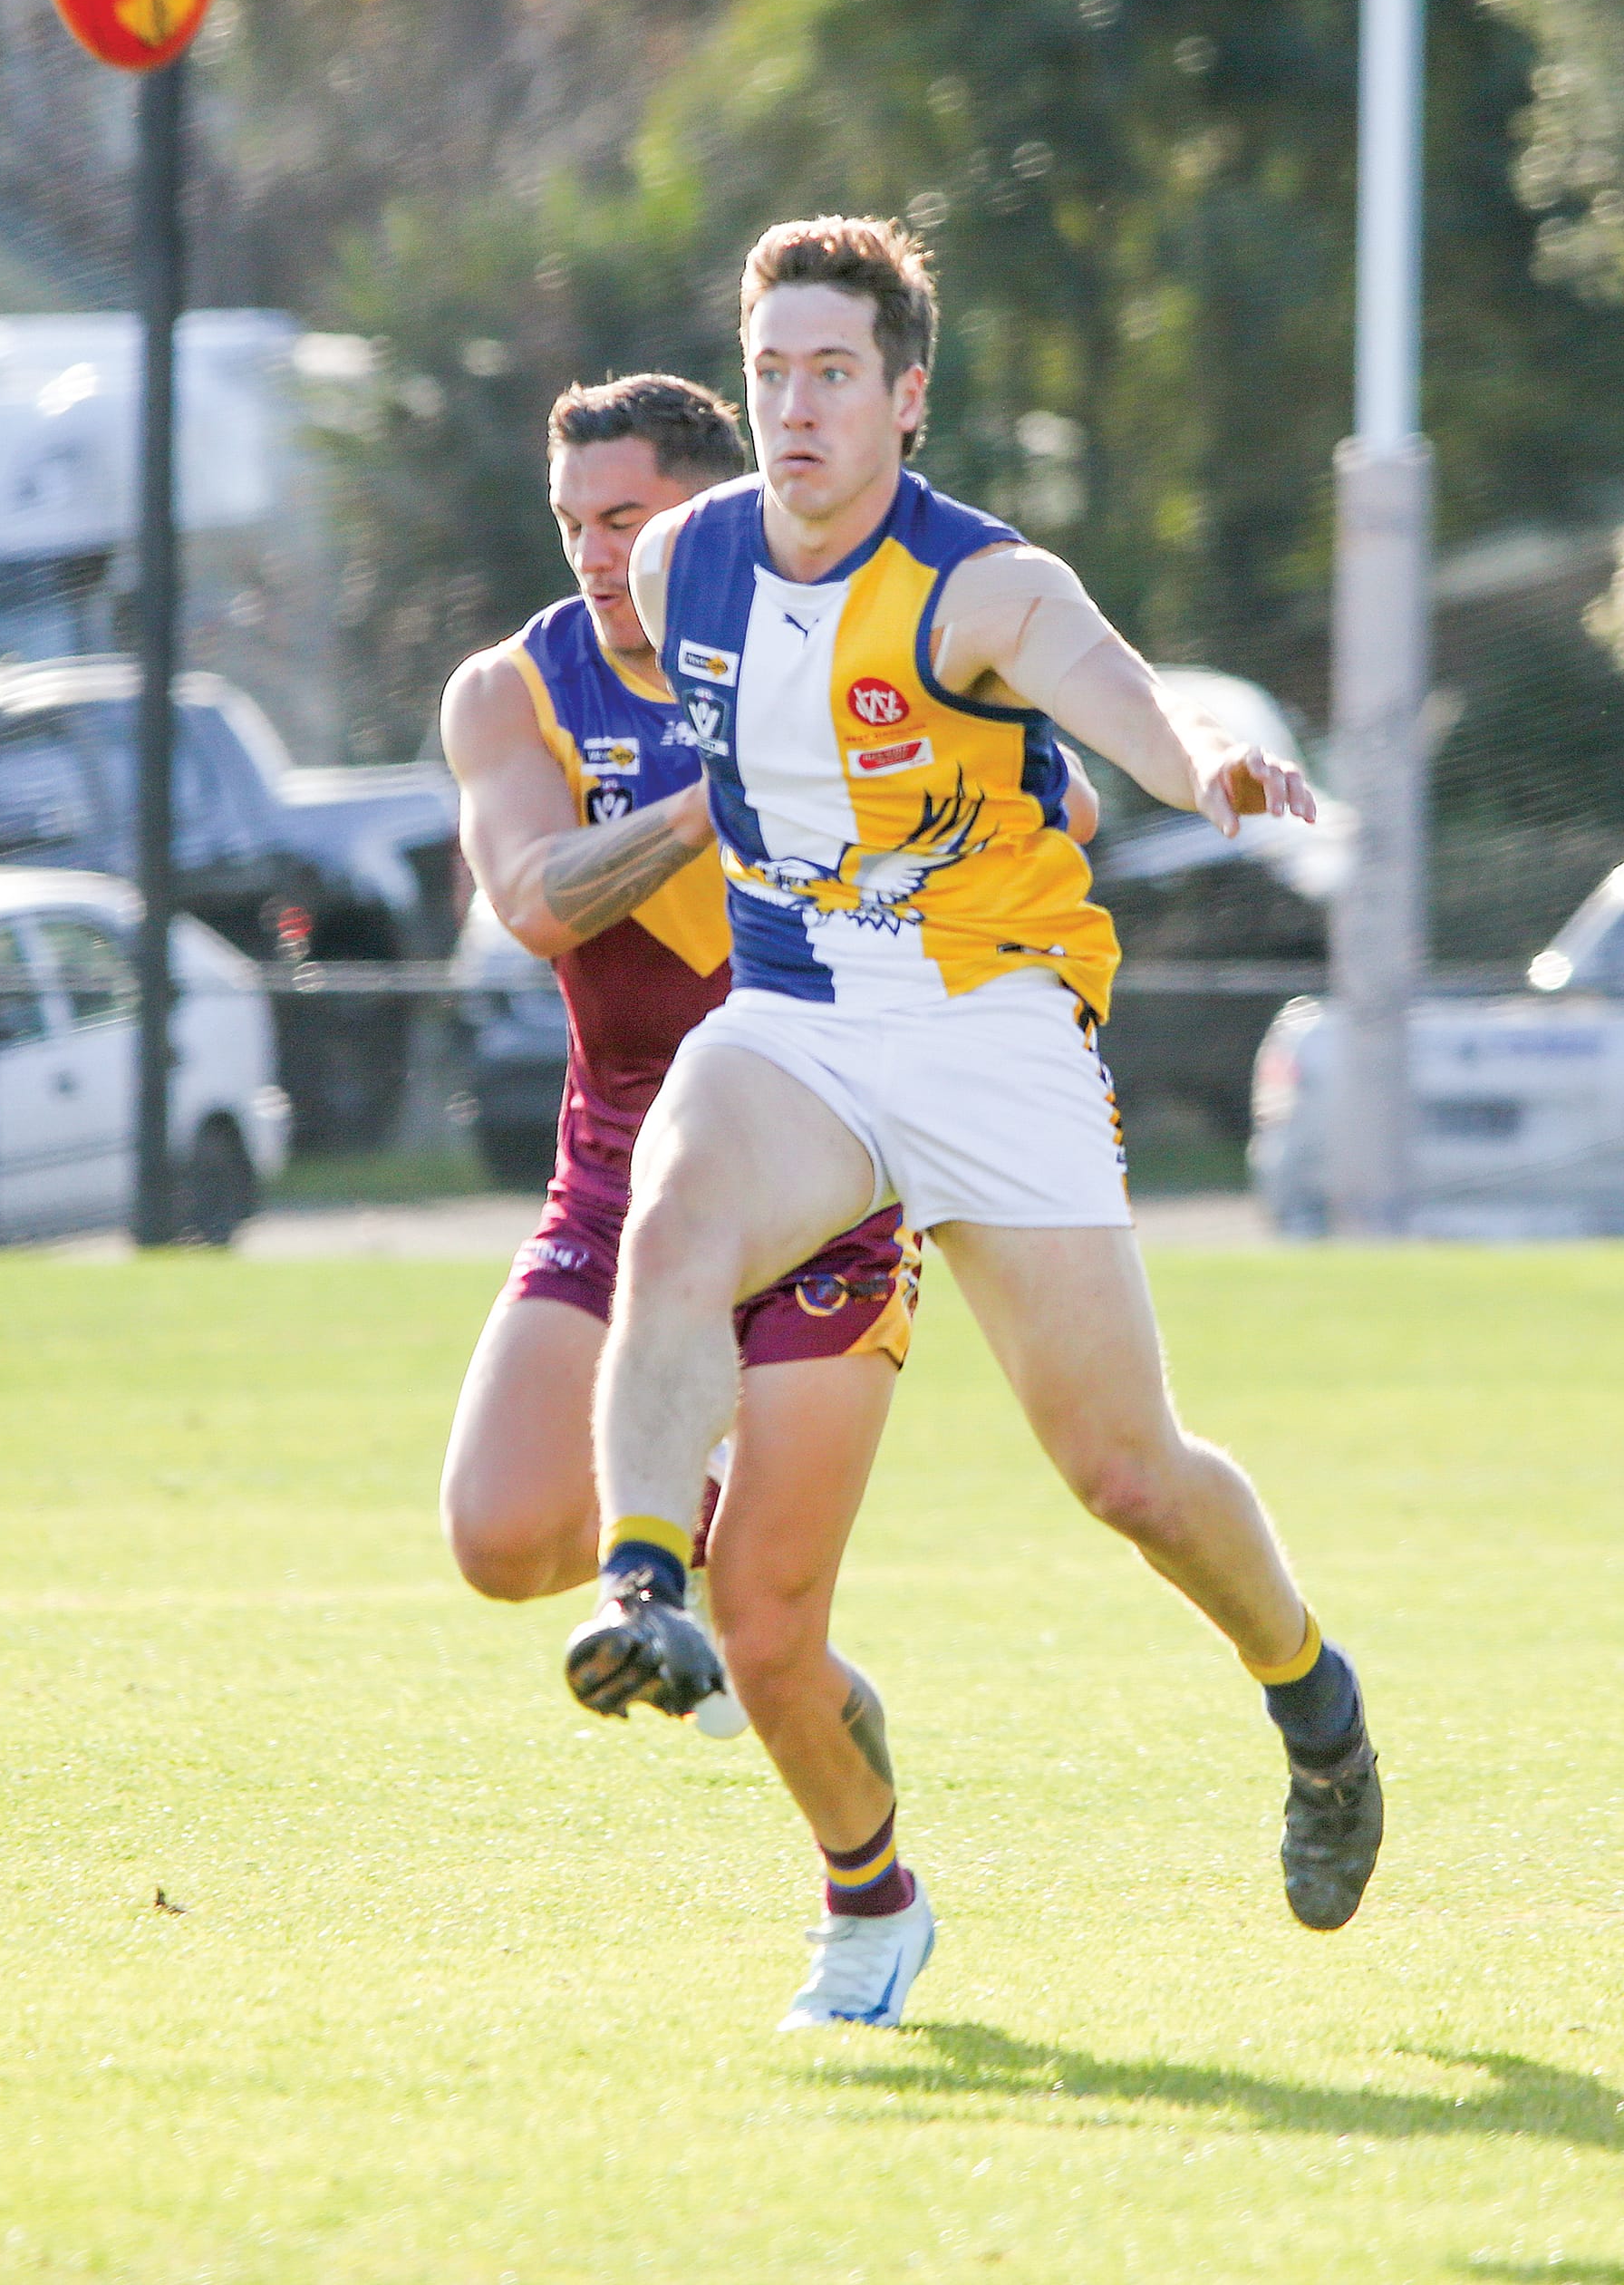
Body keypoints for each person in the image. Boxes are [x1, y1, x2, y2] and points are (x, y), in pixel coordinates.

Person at [565, 218, 1383, 2031]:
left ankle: (1310, 1698)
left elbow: (1125, 699)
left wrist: (1210, 768)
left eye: (833, 375)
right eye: (769, 371)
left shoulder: (979, 585)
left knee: (1125, 1474)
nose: (793, 407)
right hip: (795, 1025)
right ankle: (641, 1588)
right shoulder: (690, 552)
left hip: (991, 1033)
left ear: (905, 398)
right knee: (678, 1220)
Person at [442, 373, 1095, 2019]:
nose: (599, 555)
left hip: (835, 1179)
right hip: (620, 1176)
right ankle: (722, 1576)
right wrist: (721, 796)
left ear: (710, 517)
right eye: (573, 523)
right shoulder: (515, 690)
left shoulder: (853, 633)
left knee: (769, 1625)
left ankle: (869, 1909)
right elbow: (532, 902)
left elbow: (1062, 807)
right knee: (501, 1535)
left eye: (630, 521)